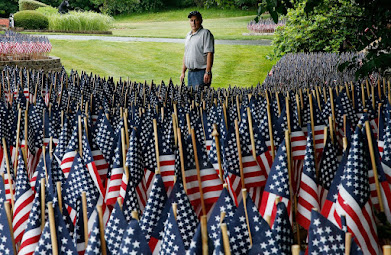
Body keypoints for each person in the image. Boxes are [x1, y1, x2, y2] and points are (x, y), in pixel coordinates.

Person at [180, 11, 215, 89]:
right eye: (191, 20)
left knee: (200, 98)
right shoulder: (188, 35)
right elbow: (186, 54)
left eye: (196, 20)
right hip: (190, 73)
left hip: (201, 73)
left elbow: (210, 53)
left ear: (201, 21)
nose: (194, 23)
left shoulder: (205, 34)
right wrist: (183, 72)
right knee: (190, 98)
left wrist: (208, 72)